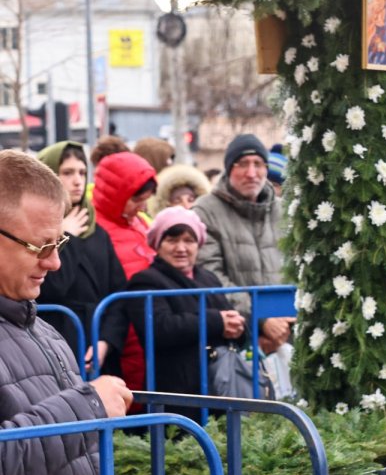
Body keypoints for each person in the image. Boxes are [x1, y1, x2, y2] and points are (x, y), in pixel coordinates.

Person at [0, 150, 137, 475]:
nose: (56, 263)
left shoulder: (46, 331)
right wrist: (86, 405)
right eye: (41, 247)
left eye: (59, 242)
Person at [124, 207, 248, 416]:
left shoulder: (208, 278)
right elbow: (159, 328)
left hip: (218, 385)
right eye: (172, 240)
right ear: (157, 244)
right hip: (176, 392)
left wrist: (239, 328)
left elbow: (229, 318)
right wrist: (217, 322)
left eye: (189, 240)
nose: (181, 248)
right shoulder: (145, 281)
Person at [34, 141, 129, 370]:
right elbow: (52, 287)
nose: (77, 181)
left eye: (82, 172)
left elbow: (119, 295)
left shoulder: (97, 232)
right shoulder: (34, 230)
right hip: (55, 347)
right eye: (67, 173)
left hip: (98, 350)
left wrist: (105, 342)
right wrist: (66, 236)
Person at [193, 134, 291, 355]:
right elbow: (211, 275)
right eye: (243, 164)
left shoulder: (284, 210)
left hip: (288, 331)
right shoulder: (206, 211)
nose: (251, 173)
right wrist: (260, 319)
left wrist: (290, 317)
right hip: (236, 337)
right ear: (229, 169)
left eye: (258, 164)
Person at [93, 150, 158, 390]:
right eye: (136, 199)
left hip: (147, 325)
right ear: (117, 195)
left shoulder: (141, 223)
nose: (141, 206)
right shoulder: (94, 229)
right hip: (120, 330)